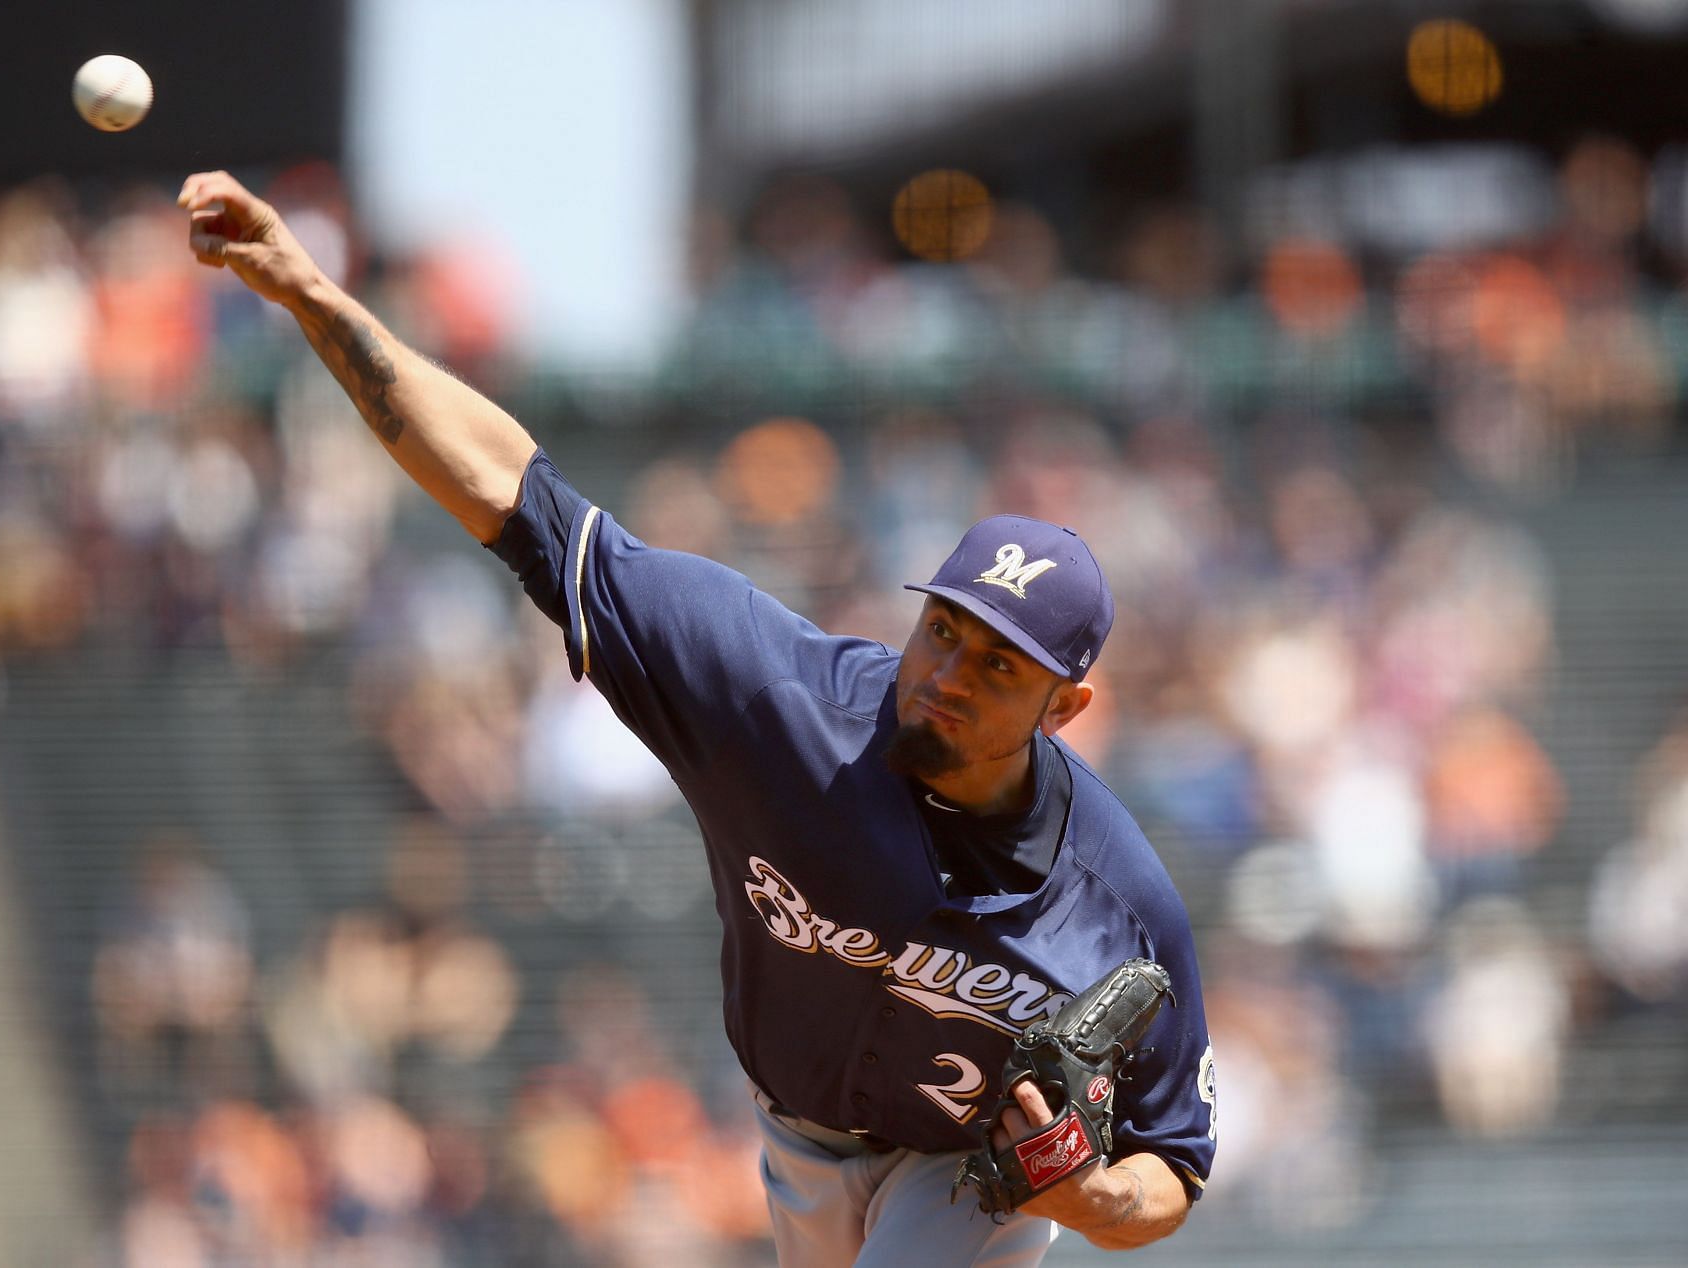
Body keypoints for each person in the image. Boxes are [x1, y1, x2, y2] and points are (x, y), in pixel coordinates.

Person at [178, 171, 1215, 1263]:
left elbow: (1175, 1164)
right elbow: (519, 496)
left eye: (998, 665)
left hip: (972, 1173)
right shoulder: (773, 699)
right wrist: (310, 296)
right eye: (944, 630)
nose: (950, 671)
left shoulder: (1119, 897)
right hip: (795, 1133)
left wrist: (1094, 1195)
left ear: (1067, 704)